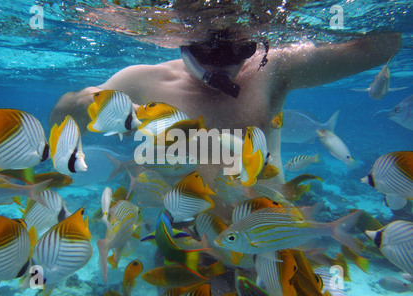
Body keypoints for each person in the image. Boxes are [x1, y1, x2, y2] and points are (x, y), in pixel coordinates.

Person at [49, 2, 401, 191]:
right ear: (184, 41)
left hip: (265, 231)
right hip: (183, 232)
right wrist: (85, 102)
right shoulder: (140, 80)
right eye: (212, 51)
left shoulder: (273, 69)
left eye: (243, 49)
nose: (229, 68)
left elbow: (378, 47)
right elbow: (65, 116)